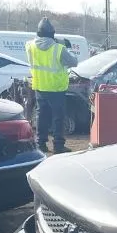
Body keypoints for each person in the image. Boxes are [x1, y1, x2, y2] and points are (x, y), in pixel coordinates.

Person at [25, 17, 79, 153]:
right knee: (58, 118)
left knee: (41, 116)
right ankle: (58, 145)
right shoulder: (58, 49)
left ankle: (41, 144)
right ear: (52, 34)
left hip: (39, 87)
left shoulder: (30, 46)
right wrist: (65, 47)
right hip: (56, 89)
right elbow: (74, 62)